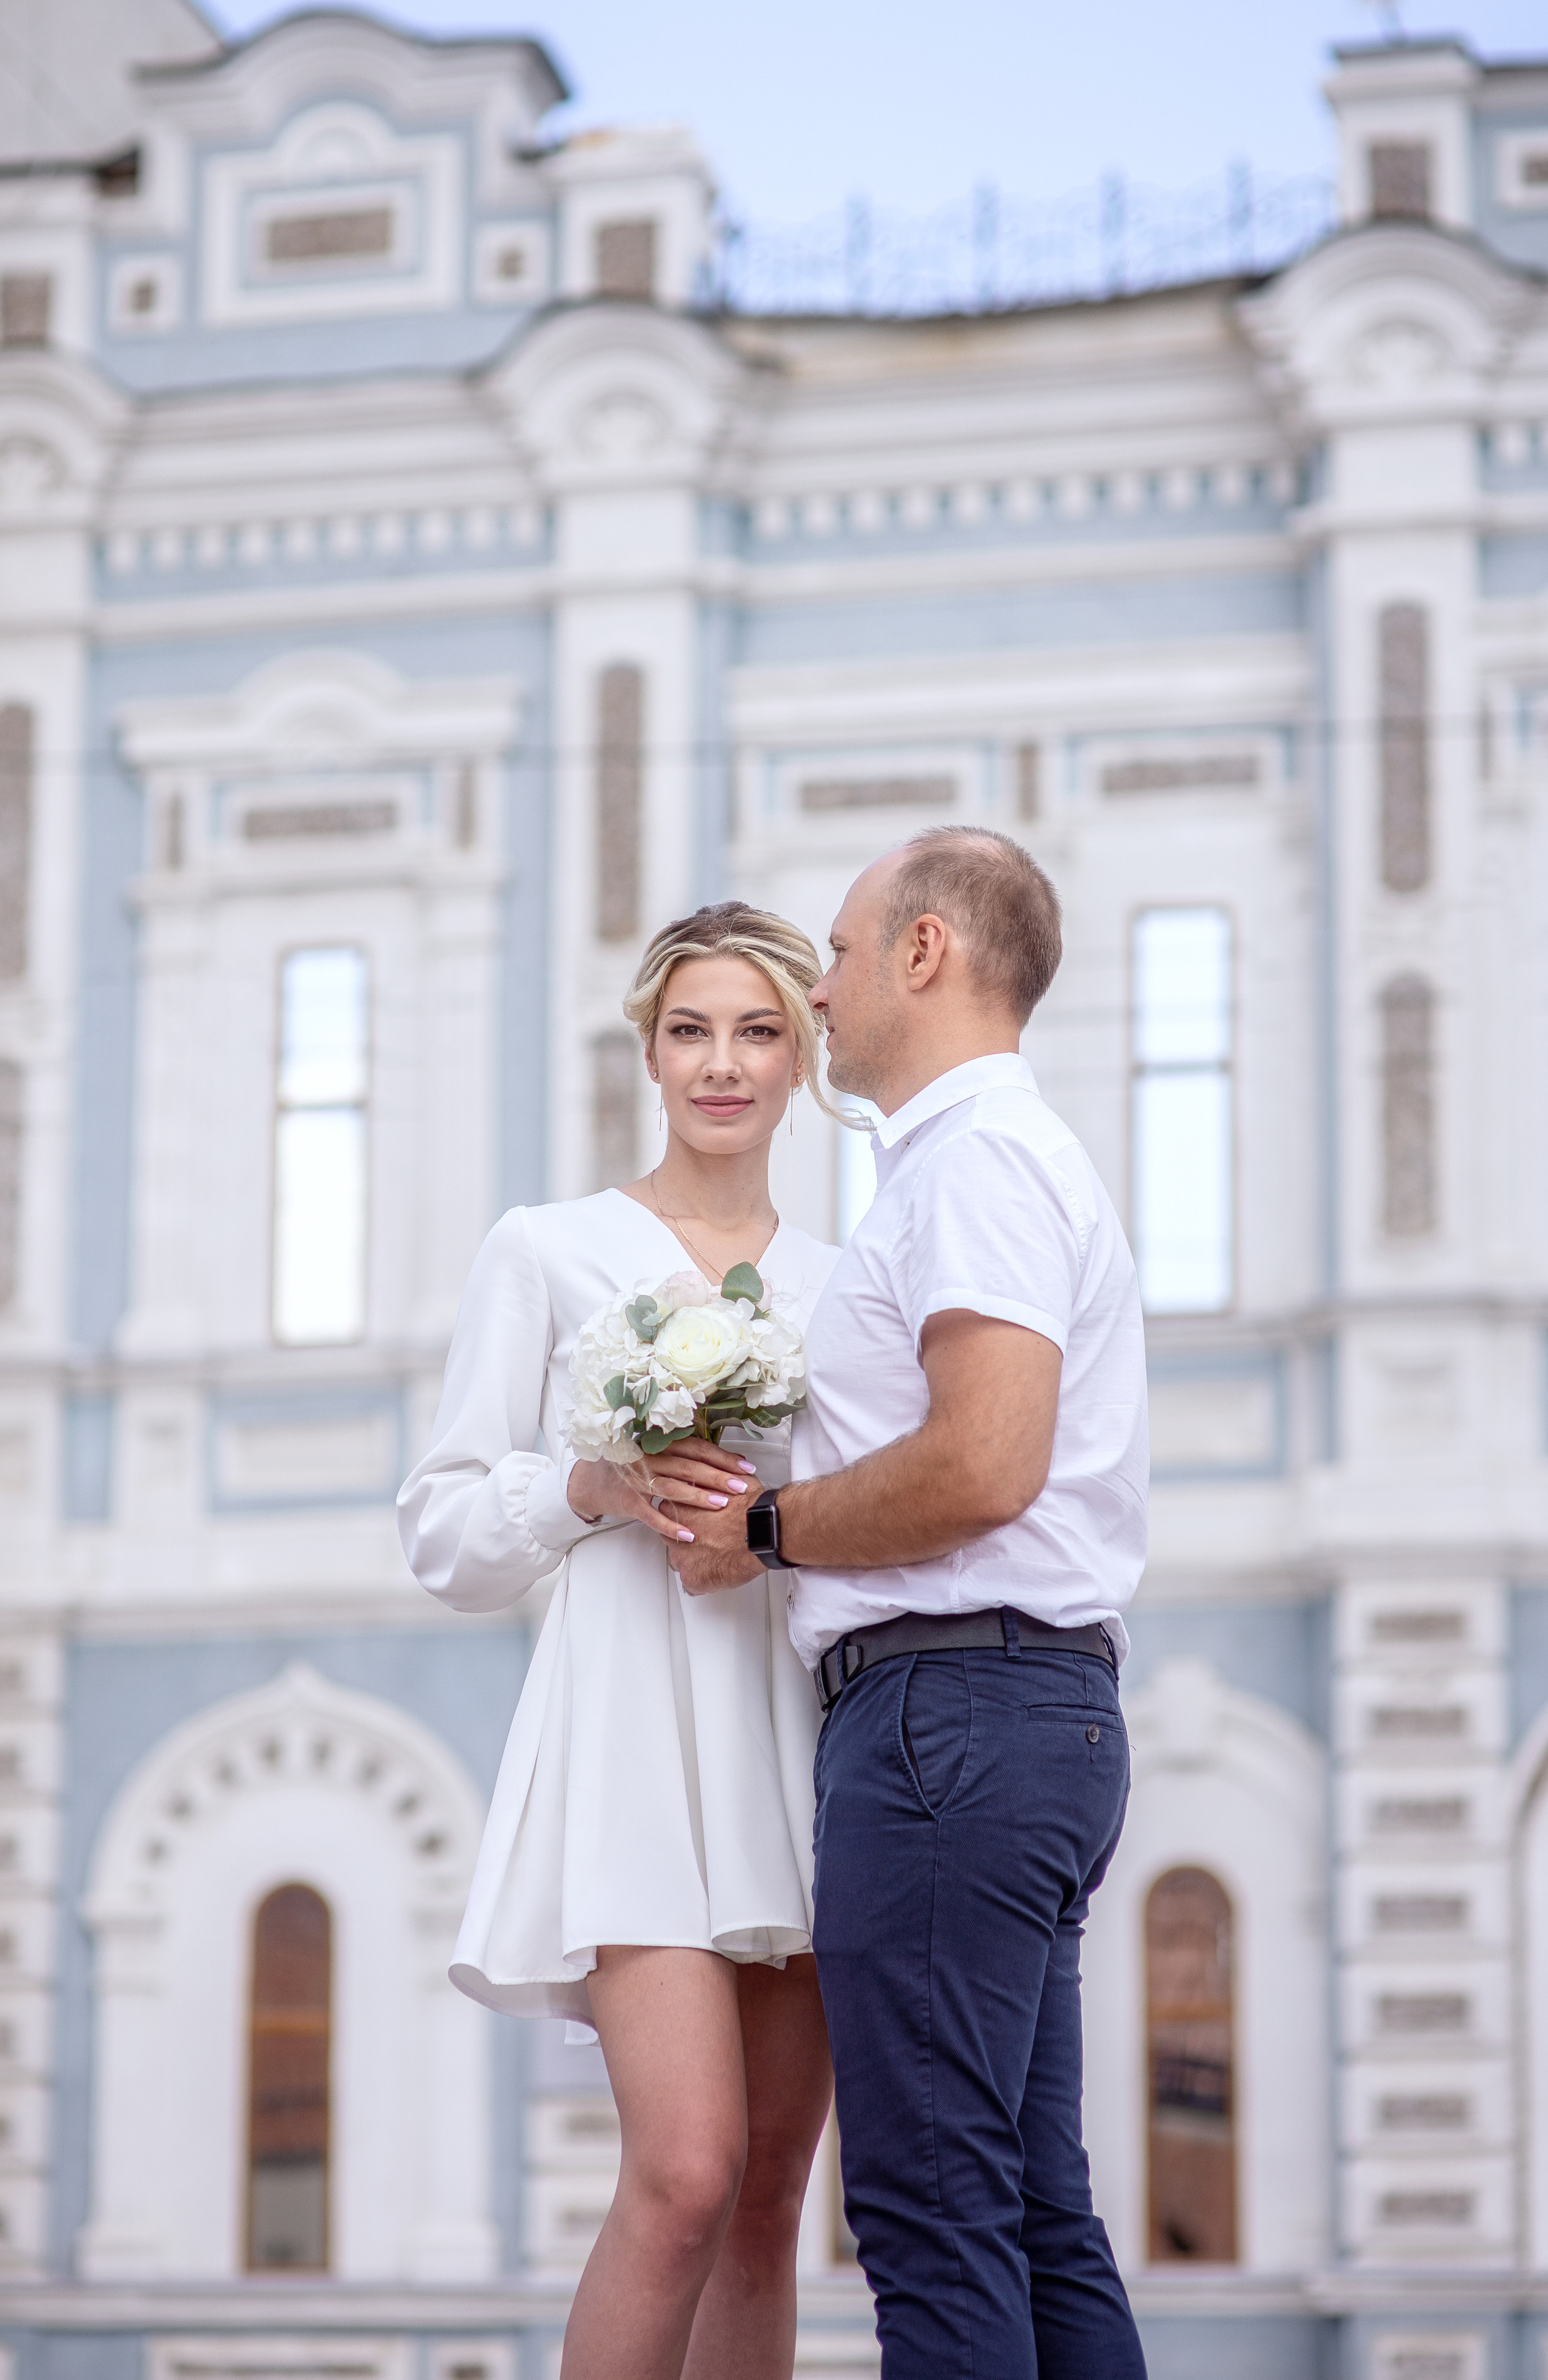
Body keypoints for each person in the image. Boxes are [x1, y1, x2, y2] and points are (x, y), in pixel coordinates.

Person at [672, 826, 1150, 2380]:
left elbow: (983, 1460)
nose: (820, 992)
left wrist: (764, 1521)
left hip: (949, 1719)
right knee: (1024, 2206)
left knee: (935, 2209)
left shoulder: (973, 1163)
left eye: (840, 952)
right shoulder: (982, 1162)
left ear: (925, 954)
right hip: (1020, 1717)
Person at [396, 902, 840, 2380]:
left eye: (758, 1031)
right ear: (648, 1052)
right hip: (637, 1749)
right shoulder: (547, 1249)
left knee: (771, 2197)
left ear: (802, 1057)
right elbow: (443, 1533)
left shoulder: (851, 1283)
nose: (723, 1064)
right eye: (691, 1030)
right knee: (685, 2174)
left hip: (797, 1739)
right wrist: (586, 1486)